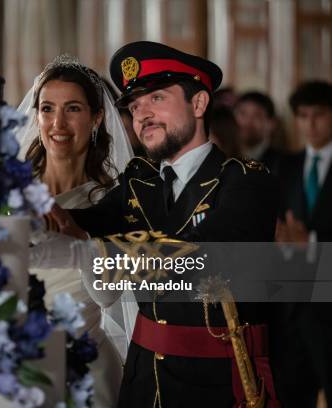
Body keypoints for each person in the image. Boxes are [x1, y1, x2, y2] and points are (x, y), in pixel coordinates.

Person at [46, 41, 280, 407]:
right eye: (135, 106)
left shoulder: (245, 181)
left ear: (199, 103)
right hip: (142, 382)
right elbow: (82, 218)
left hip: (215, 383)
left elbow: (201, 254)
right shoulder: (139, 181)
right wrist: (30, 214)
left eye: (156, 98)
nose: (142, 115)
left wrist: (94, 252)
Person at [16, 55, 134, 407]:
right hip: (15, 361)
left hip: (83, 365)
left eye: (73, 109)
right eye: (47, 108)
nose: (58, 123)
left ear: (96, 117)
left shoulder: (116, 201)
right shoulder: (8, 192)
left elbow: (113, 297)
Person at [272, 80, 332, 407]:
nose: (310, 124)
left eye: (319, 115)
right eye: (303, 115)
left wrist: (309, 240)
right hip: (292, 308)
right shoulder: (285, 166)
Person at [234, 91, 283, 174]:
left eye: (257, 115)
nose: (247, 122)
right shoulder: (224, 159)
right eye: (242, 113)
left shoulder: (282, 164)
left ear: (272, 123)